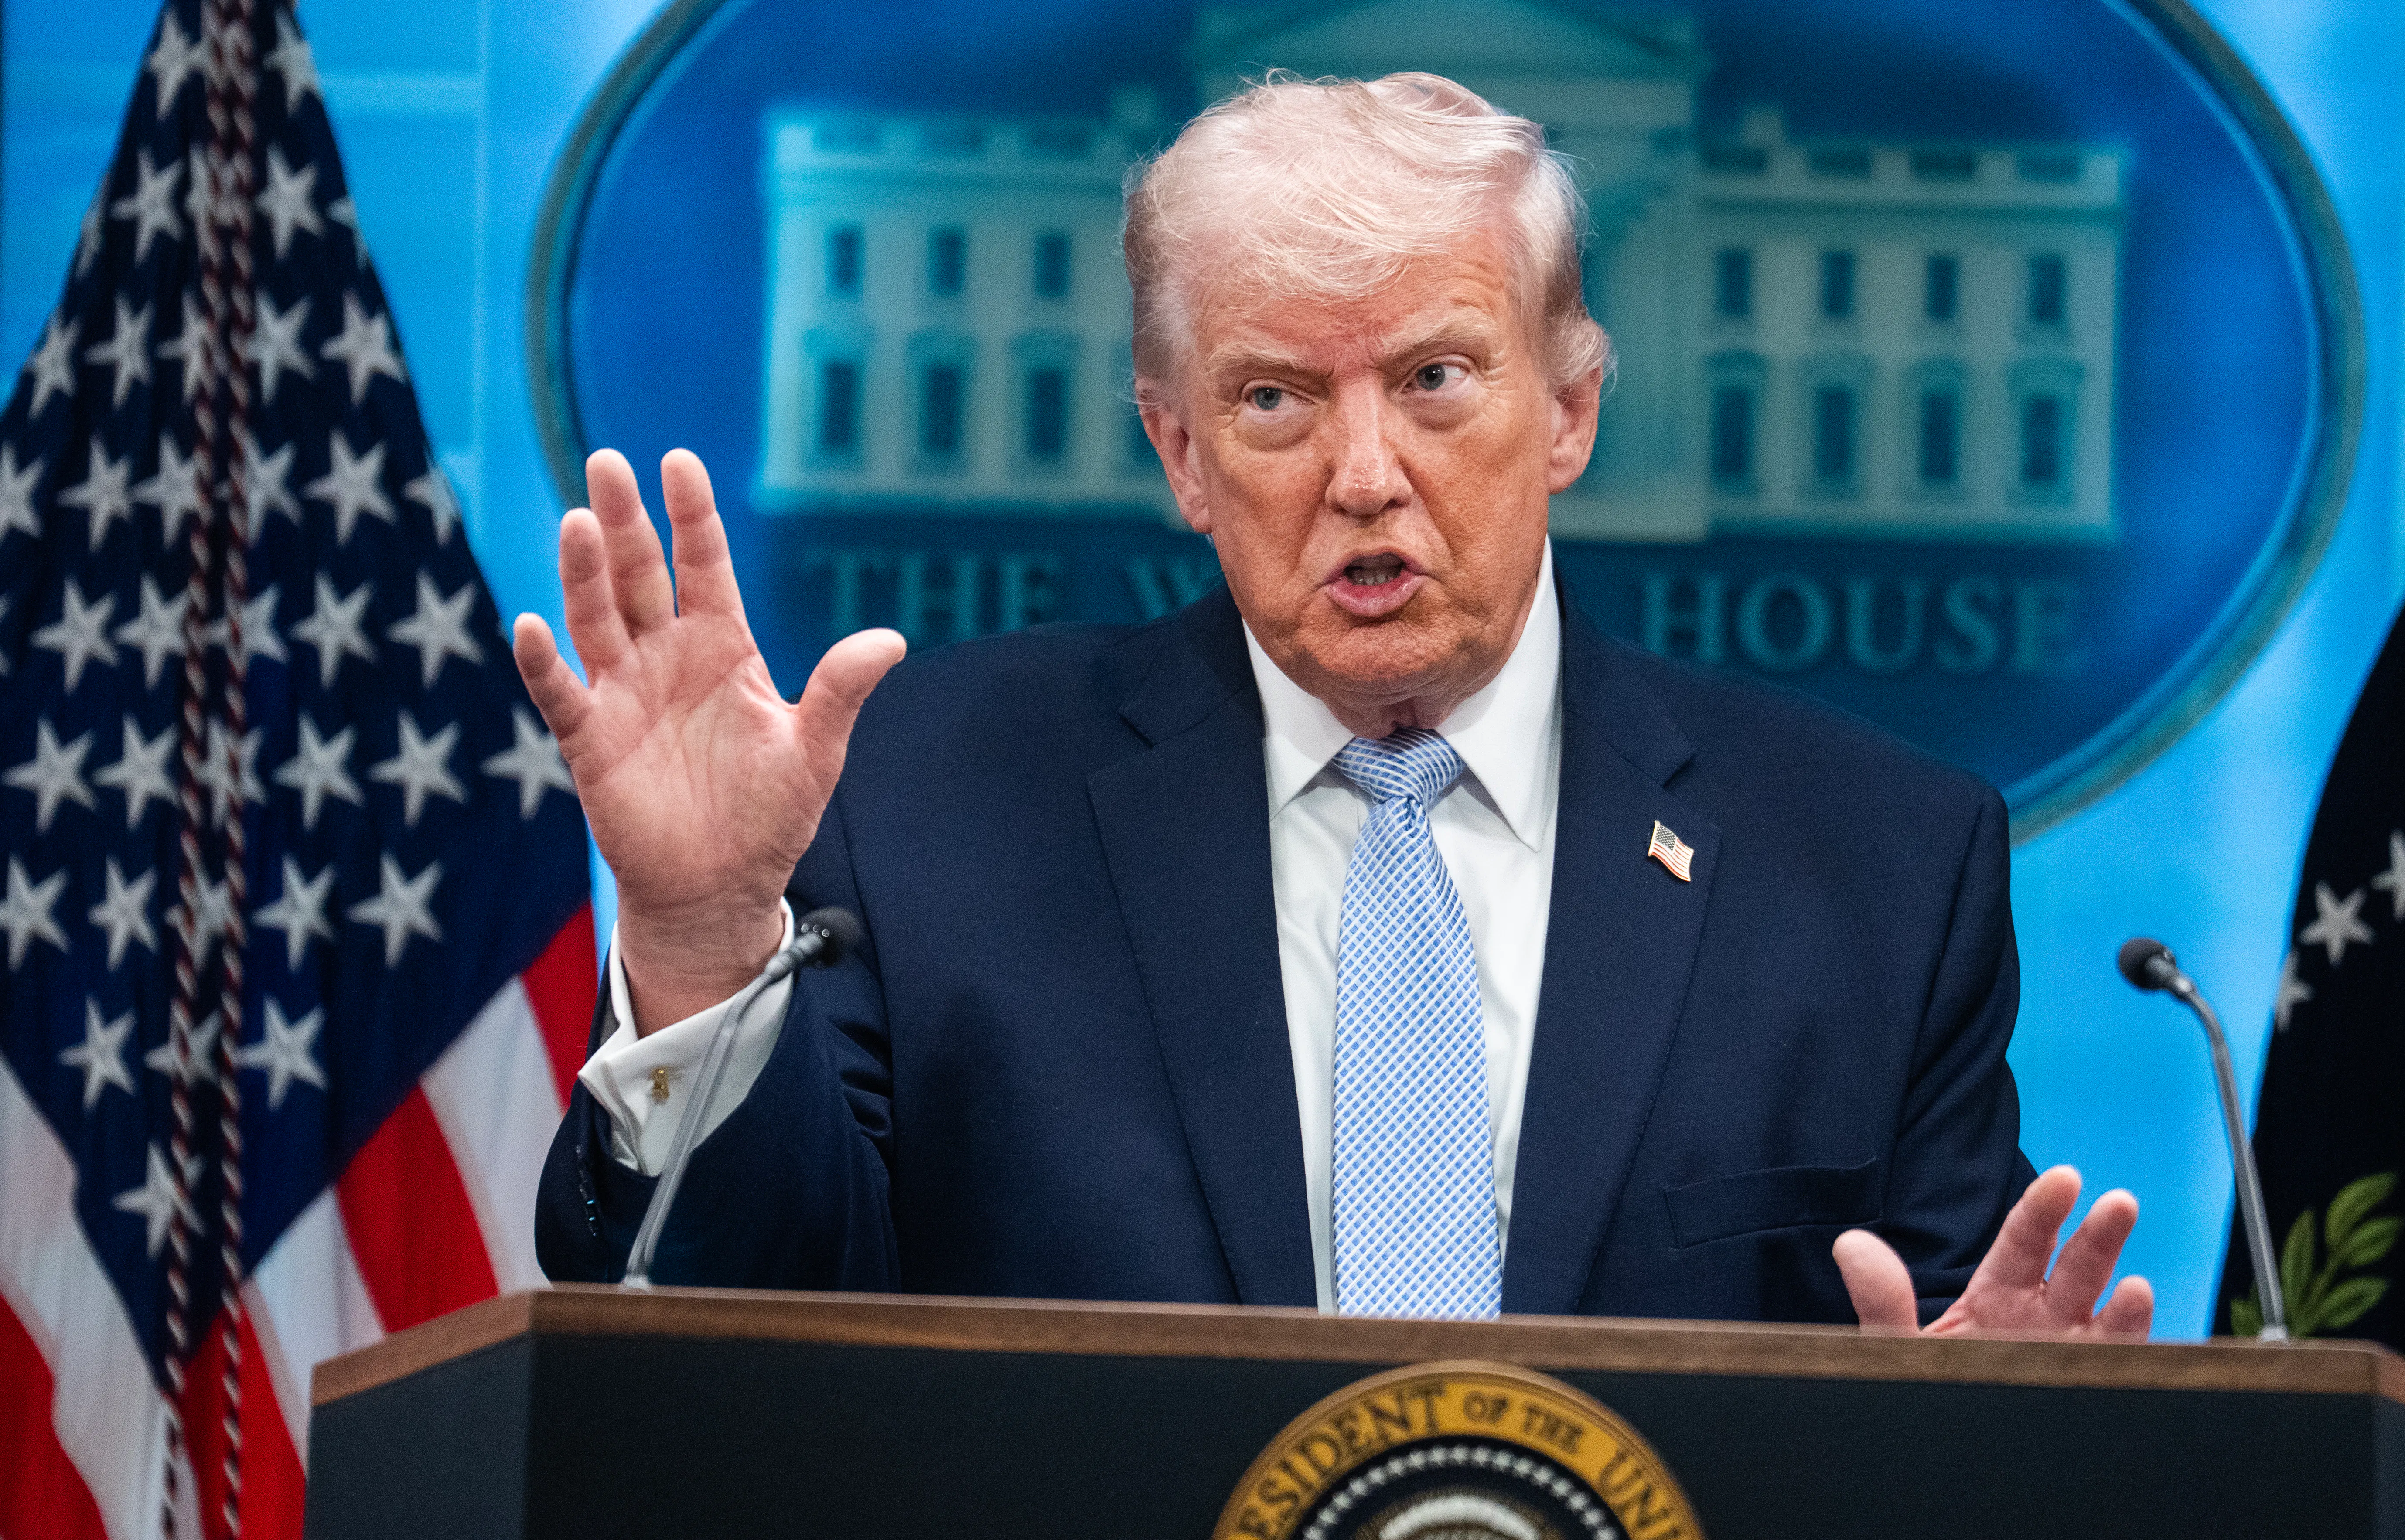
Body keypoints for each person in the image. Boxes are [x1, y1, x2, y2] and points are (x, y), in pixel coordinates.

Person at [510, 72, 2153, 1338]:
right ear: (1177, 455)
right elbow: (753, 1322)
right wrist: (708, 939)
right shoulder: (928, 805)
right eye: (1275, 397)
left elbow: (1946, 1366)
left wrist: (1978, 1426)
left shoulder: (1873, 867)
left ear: (1569, 410)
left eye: (1434, 380)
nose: (1364, 476)